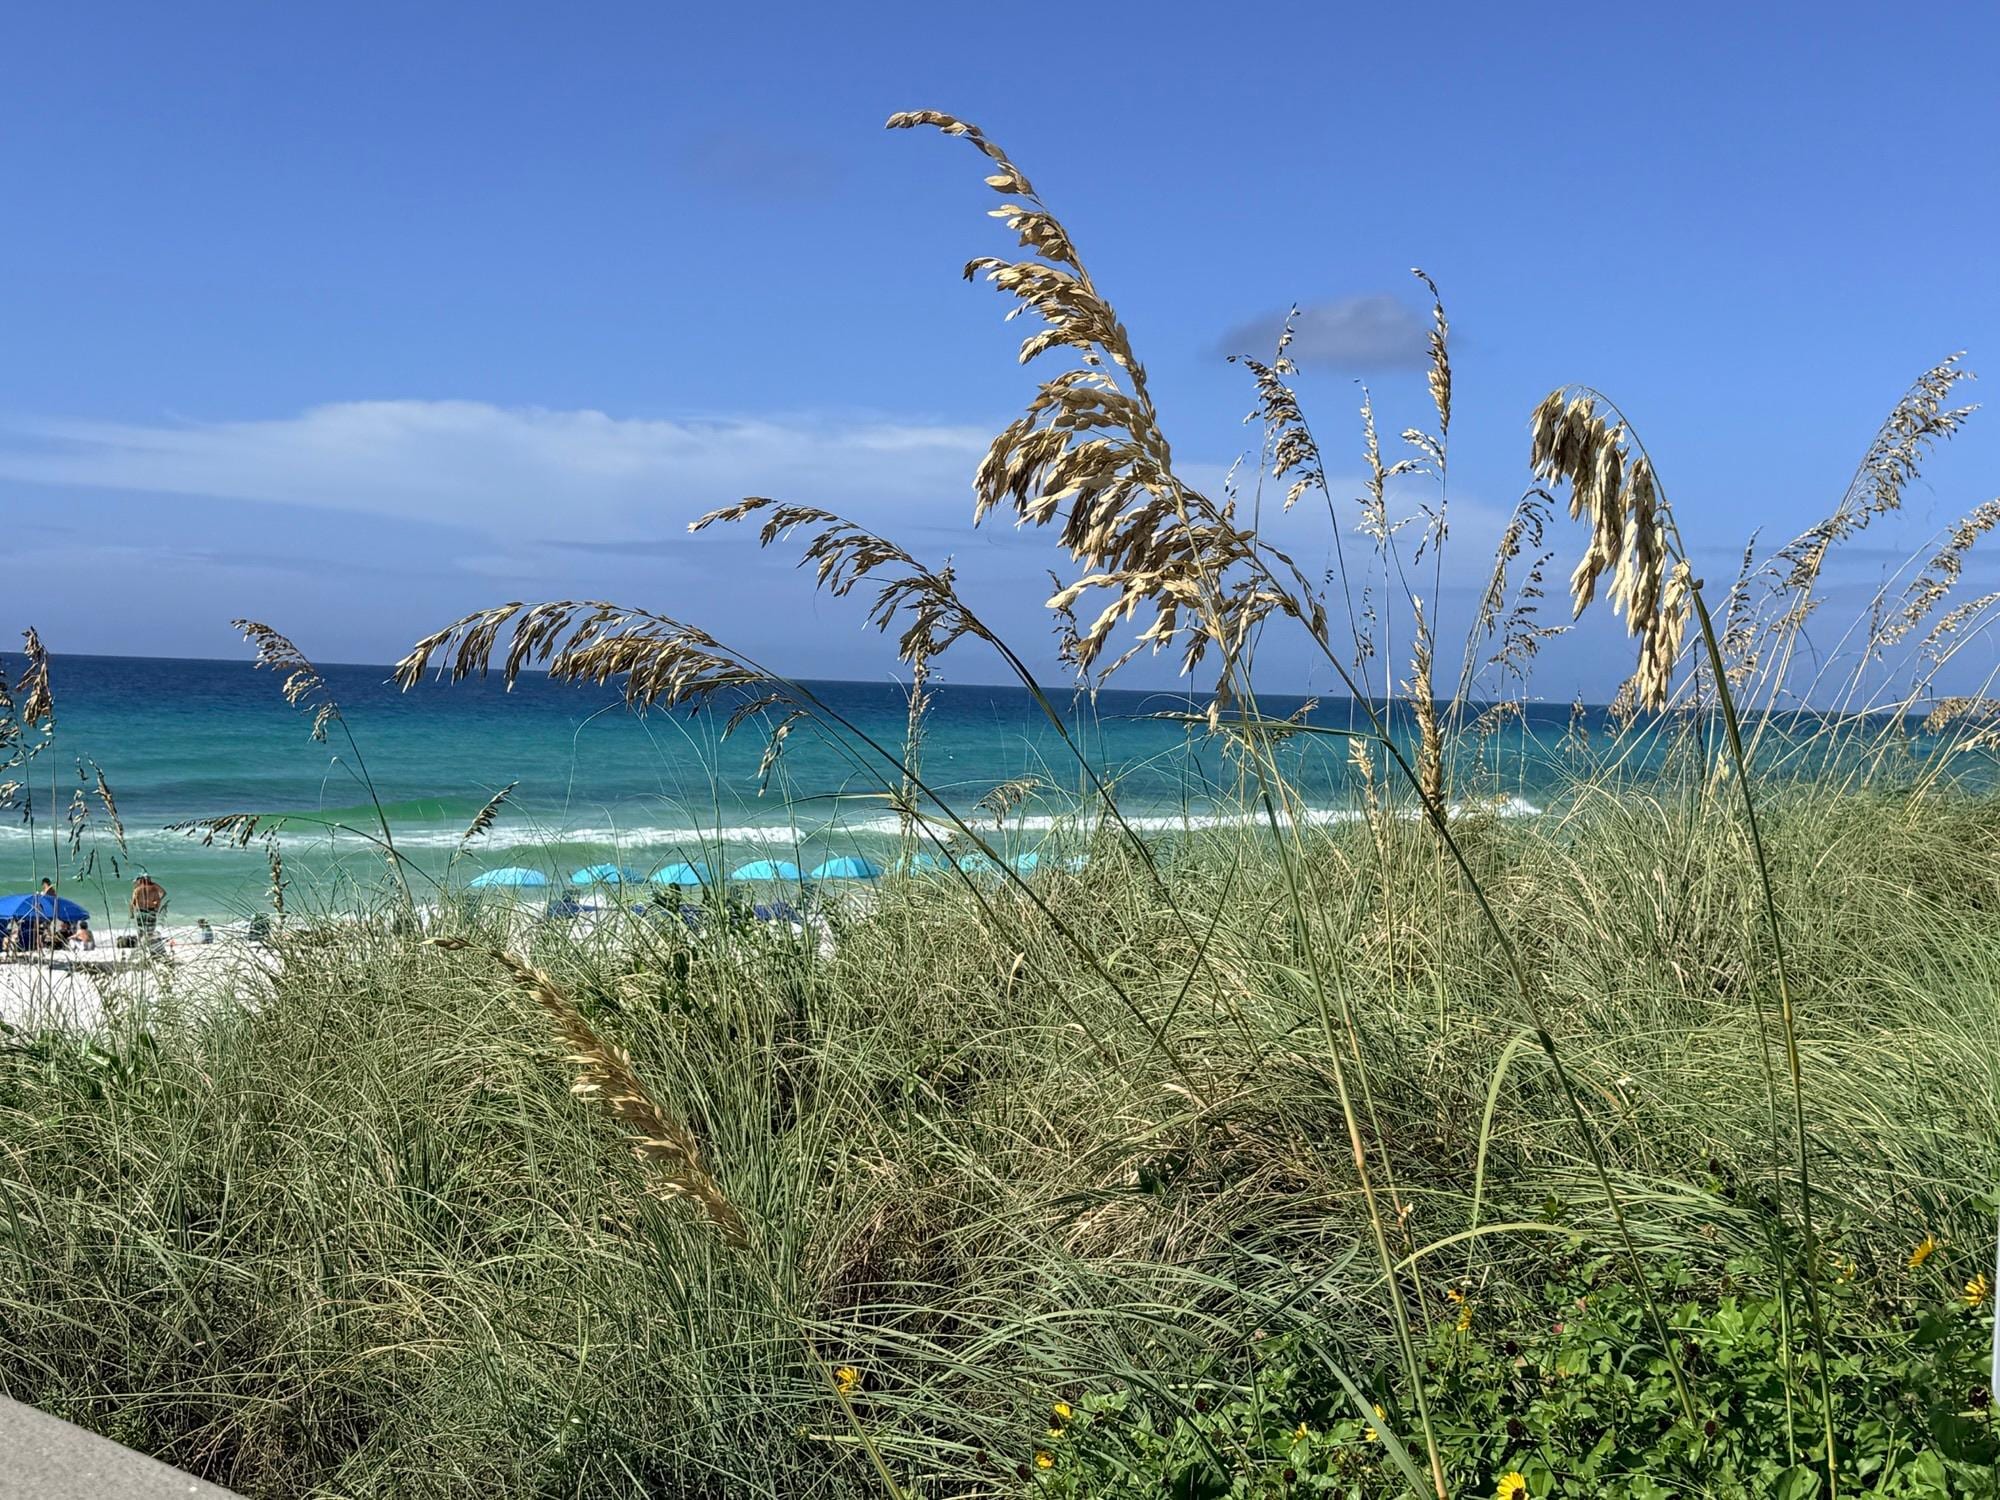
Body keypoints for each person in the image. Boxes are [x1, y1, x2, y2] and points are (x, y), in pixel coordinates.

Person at [130, 873, 167, 947]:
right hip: (151, 910)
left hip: (140, 912)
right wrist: (156, 908)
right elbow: (160, 897)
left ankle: (140, 948)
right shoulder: (153, 888)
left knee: (140, 932)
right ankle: (149, 947)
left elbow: (133, 903)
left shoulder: (137, 889)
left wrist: (132, 913)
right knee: (150, 932)